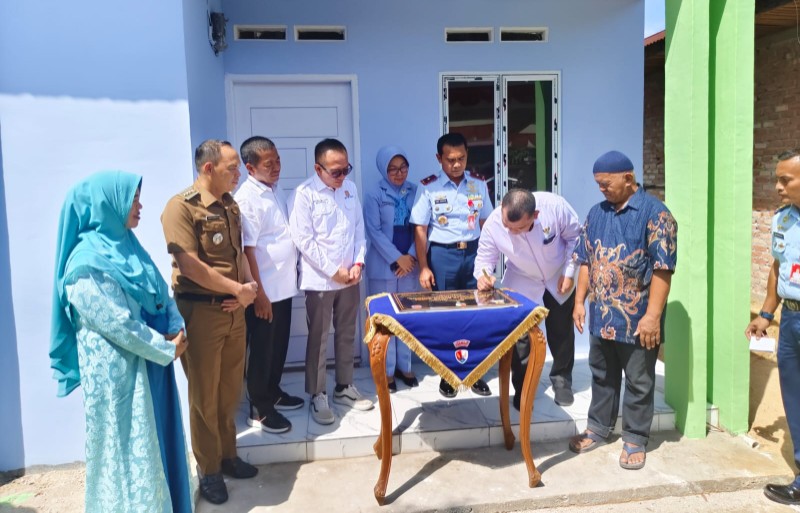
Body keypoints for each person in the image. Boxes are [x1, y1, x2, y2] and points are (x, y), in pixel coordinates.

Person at [50, 171, 192, 512]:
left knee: (158, 445)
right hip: (121, 380)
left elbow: (158, 292)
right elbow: (118, 324)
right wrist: (166, 348)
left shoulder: (129, 247)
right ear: (106, 205)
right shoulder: (84, 265)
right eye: (133, 200)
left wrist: (177, 325)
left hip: (152, 366)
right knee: (127, 449)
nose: (140, 206)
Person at [161, 139, 259, 505]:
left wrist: (247, 289)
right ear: (208, 168)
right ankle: (209, 470)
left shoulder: (230, 205)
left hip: (235, 310)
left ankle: (228, 455)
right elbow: (190, 266)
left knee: (230, 388)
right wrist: (238, 287)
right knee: (204, 392)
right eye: (232, 167)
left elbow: (238, 253)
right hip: (201, 312)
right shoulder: (181, 207)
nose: (238, 173)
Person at [569, 150, 677, 471]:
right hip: (602, 315)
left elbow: (662, 269)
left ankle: (634, 438)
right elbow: (586, 260)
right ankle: (598, 428)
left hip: (638, 317)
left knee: (639, 380)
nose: (601, 189)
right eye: (598, 184)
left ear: (628, 178)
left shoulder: (656, 215)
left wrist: (653, 316)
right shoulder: (596, 213)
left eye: (606, 184)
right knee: (602, 374)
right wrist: (578, 301)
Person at [289, 138, 374, 425]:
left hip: (350, 277)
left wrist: (359, 262)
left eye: (345, 169)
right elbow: (303, 240)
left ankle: (344, 386)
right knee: (319, 337)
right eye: (335, 172)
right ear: (318, 168)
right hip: (320, 282)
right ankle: (317, 393)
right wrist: (332, 271)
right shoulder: (304, 194)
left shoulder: (350, 189)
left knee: (347, 332)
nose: (342, 176)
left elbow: (359, 230)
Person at [475, 188, 581, 408]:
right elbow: (485, 257)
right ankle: (522, 389)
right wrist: (483, 276)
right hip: (521, 275)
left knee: (560, 327)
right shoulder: (494, 223)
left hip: (557, 273)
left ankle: (562, 380)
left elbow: (575, 237)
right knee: (521, 335)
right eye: (508, 227)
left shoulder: (555, 207)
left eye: (520, 228)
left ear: (535, 215)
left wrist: (569, 272)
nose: (513, 232)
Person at [409, 132, 494, 398]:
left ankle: (476, 373)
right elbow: (420, 230)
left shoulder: (478, 184)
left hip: (473, 255)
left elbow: (486, 224)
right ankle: (448, 375)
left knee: (476, 314)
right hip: (443, 256)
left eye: (461, 158)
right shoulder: (429, 187)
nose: (456, 164)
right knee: (446, 315)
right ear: (439, 158)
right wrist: (424, 267)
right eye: (450, 159)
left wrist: (488, 265)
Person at [235, 136, 304, 434]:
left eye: (277, 160)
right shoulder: (247, 199)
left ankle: (273, 391)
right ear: (250, 167)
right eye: (268, 163)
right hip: (265, 291)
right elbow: (247, 250)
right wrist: (258, 294)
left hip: (283, 287)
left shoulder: (273, 190)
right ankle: (259, 407)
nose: (276, 167)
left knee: (278, 346)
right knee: (262, 349)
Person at [745, 149, 800, 506]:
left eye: (786, 180)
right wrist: (766, 314)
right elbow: (778, 269)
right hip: (792, 321)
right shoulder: (782, 220)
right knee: (794, 399)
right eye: (777, 179)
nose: (778, 187)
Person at [364, 145, 419, 392]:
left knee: (406, 316)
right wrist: (398, 258)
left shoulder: (415, 190)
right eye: (393, 169)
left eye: (403, 167)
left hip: (410, 264)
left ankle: (405, 365)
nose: (399, 173)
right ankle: (386, 369)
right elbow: (374, 231)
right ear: (383, 169)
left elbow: (422, 227)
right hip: (385, 264)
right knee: (385, 318)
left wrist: (411, 257)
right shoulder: (374, 194)